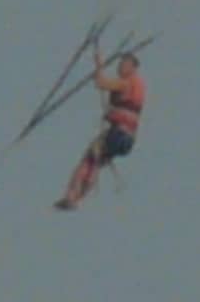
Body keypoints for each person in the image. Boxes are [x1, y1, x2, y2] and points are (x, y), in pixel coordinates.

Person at [53, 47, 146, 211]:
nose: (120, 68)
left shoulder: (126, 83)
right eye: (120, 65)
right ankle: (77, 199)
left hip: (118, 134)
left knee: (88, 161)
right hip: (128, 139)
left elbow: (101, 83)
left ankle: (71, 196)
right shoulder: (137, 86)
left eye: (123, 65)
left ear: (132, 67)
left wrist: (98, 65)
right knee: (96, 163)